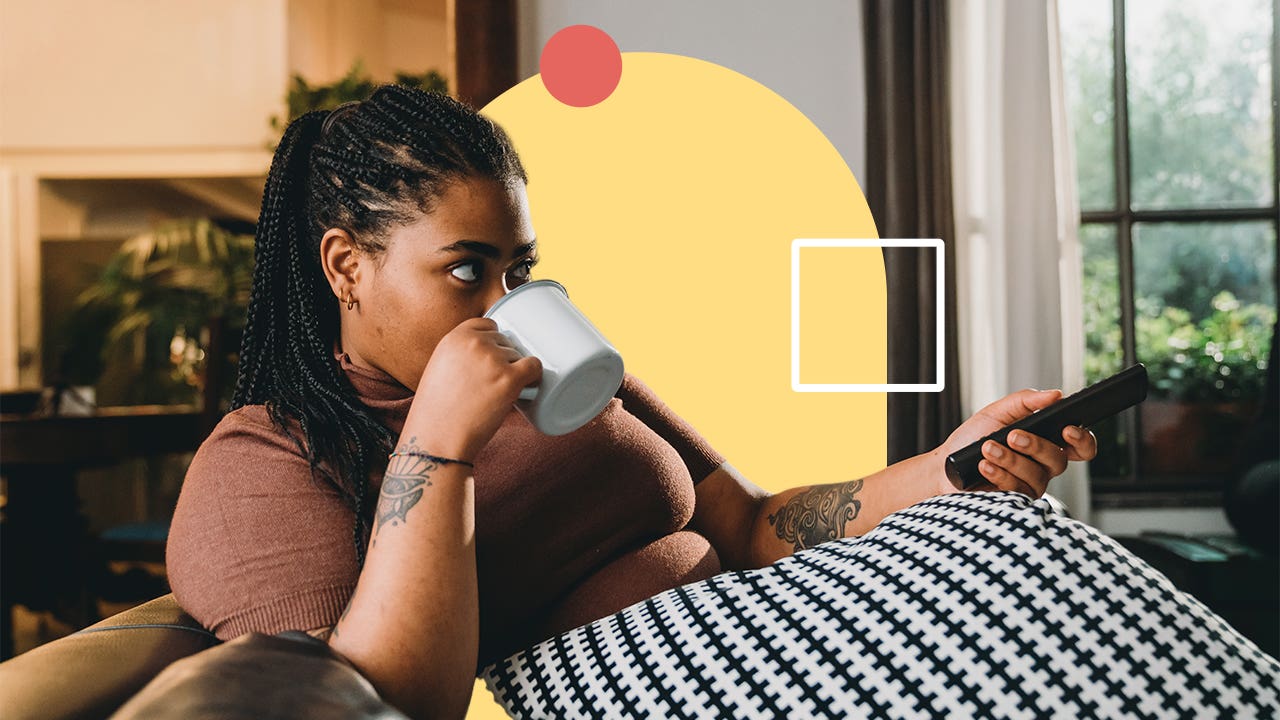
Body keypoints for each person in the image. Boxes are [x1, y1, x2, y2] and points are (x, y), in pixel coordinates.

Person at [166, 83, 1103, 719]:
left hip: (806, 627)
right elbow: (387, 703)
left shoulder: (568, 370)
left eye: (520, 269)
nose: (507, 305)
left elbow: (754, 524)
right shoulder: (265, 461)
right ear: (346, 266)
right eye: (466, 270)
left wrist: (951, 467)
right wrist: (440, 440)